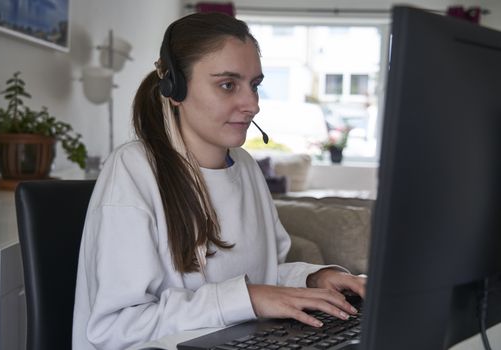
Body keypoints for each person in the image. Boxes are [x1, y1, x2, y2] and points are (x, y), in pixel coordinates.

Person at [72, 12, 366, 350]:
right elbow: (114, 328)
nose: (252, 104)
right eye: (228, 85)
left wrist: (314, 279)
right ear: (175, 89)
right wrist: (248, 300)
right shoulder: (133, 171)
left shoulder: (245, 166)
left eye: (254, 85)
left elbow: (261, 279)